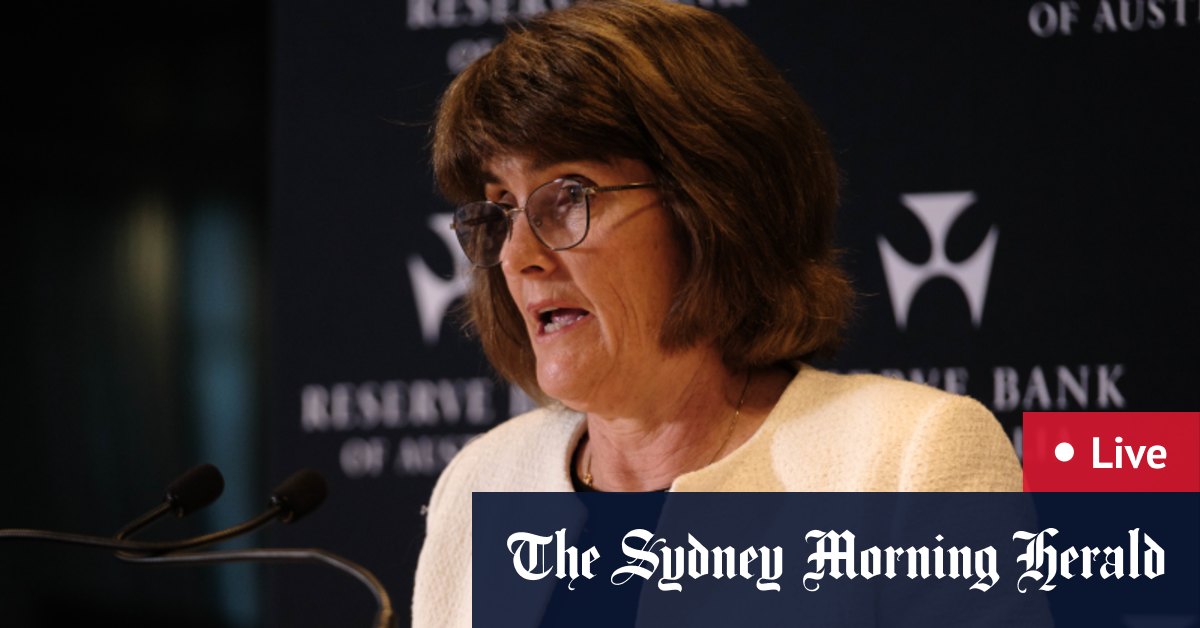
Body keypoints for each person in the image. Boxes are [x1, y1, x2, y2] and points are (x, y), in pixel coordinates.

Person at [412, 0, 1022, 624]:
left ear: (711, 206)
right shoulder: (483, 481)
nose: (519, 256)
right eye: (501, 208)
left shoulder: (905, 464)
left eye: (569, 195)